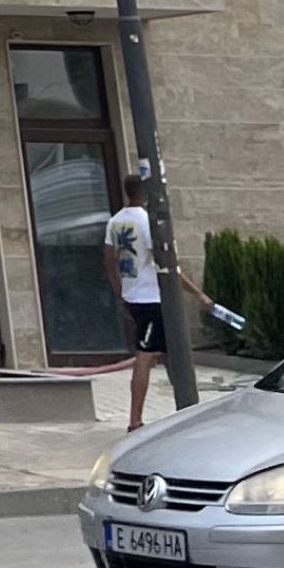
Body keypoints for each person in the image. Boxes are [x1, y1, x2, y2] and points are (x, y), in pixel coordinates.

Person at [102, 172, 203, 431]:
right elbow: (167, 265)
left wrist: (120, 293)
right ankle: (135, 420)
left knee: (170, 352)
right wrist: (198, 293)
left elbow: (110, 261)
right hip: (151, 298)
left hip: (133, 295)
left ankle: (186, 408)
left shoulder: (115, 221)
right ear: (145, 193)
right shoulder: (148, 223)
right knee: (145, 357)